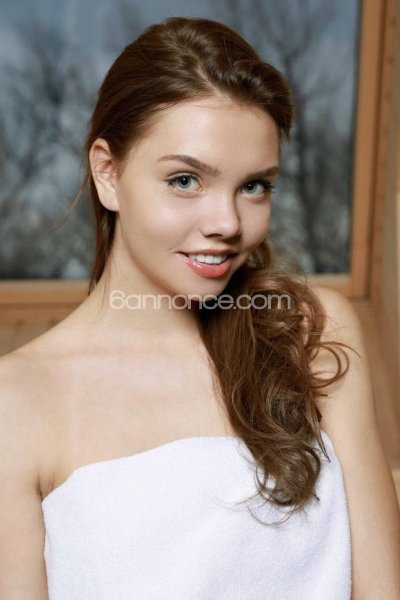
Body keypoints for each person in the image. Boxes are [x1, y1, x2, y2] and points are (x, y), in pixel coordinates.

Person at [1, 15, 399, 600]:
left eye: (254, 186)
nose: (227, 223)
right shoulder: (16, 403)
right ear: (107, 174)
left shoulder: (309, 331)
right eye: (186, 180)